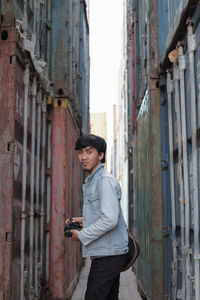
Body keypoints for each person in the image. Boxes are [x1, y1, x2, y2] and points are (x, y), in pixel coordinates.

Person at [66, 134, 128, 300]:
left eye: (89, 152)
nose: (83, 157)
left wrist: (82, 235)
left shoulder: (103, 181)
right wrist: (83, 221)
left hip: (109, 254)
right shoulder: (93, 180)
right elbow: (107, 214)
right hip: (108, 253)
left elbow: (110, 219)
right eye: (80, 152)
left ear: (100, 155)